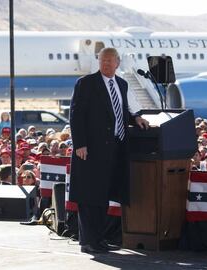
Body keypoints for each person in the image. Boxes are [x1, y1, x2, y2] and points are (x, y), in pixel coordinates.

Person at [69, 47, 149, 254]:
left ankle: (98, 239)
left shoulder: (121, 84)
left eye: (109, 61)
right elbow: (76, 115)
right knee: (89, 196)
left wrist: (137, 118)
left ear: (117, 63)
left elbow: (119, 111)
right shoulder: (86, 83)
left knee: (103, 195)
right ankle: (88, 241)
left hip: (114, 148)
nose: (105, 64)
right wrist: (80, 144)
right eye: (102, 60)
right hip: (90, 149)